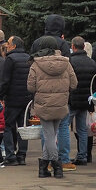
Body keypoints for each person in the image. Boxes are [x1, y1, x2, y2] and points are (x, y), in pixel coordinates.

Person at [26, 36, 77, 179]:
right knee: (52, 135)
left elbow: (30, 87)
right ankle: (43, 168)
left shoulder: (36, 64)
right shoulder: (66, 63)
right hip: (61, 104)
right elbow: (74, 84)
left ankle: (56, 166)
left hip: (44, 105)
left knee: (49, 135)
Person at [0, 35, 33, 166]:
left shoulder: (10, 59)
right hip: (26, 98)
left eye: (8, 43)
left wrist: (1, 96)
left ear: (14, 46)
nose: (6, 45)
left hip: (12, 98)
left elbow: (5, 80)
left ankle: (10, 156)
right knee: (23, 127)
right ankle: (22, 155)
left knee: (8, 126)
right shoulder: (28, 58)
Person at [64, 36, 96, 169]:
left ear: (73, 47)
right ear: (84, 47)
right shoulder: (92, 63)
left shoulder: (70, 62)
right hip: (85, 101)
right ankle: (83, 156)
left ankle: (64, 156)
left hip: (72, 100)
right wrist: (91, 104)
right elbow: (93, 85)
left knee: (64, 127)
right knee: (82, 129)